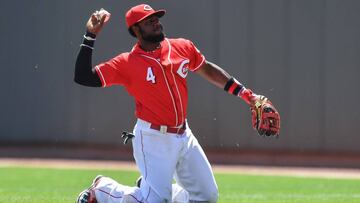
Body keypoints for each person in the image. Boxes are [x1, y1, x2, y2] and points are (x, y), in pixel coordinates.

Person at [74, 4, 279, 203]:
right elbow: (83, 76)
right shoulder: (127, 62)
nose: (156, 23)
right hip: (153, 138)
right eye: (148, 22)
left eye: (156, 19)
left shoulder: (181, 47)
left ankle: (154, 185)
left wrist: (247, 95)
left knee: (207, 197)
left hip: (183, 134)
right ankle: (102, 189)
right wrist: (90, 35)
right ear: (136, 29)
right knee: (155, 200)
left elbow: (206, 69)